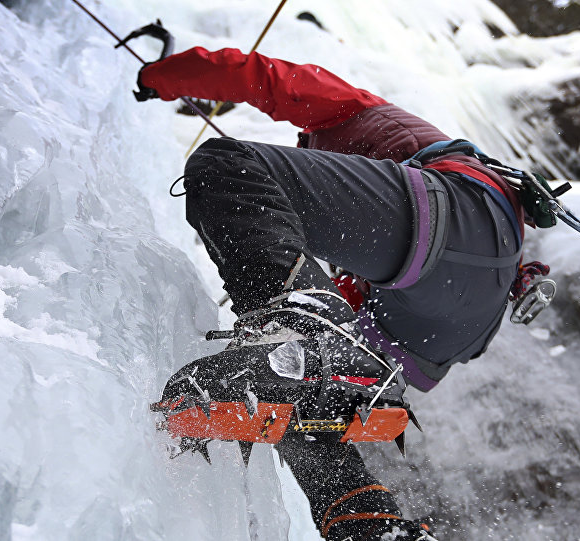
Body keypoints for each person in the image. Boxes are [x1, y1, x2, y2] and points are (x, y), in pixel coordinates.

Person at [137, 45, 528, 541]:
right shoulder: (369, 214)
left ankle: (304, 334)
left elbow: (269, 77)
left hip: (456, 216)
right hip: (459, 319)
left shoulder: (360, 112)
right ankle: (366, 522)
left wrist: (161, 75)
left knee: (225, 163)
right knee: (304, 394)